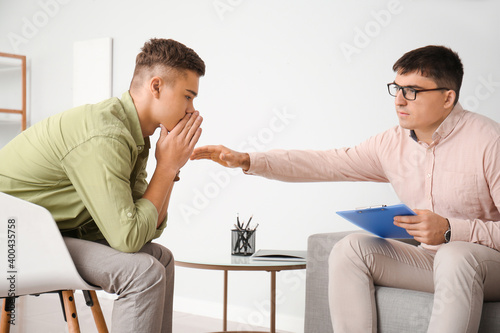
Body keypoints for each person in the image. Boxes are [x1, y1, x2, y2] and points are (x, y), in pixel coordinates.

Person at [190, 45, 500, 332]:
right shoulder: (391, 144)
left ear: (447, 97)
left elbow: (458, 244)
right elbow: (326, 163)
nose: (399, 100)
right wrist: (248, 159)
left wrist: (450, 231)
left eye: (412, 91)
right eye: (396, 88)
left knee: (455, 256)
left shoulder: (488, 140)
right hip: (432, 261)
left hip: (488, 263)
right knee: (351, 249)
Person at [0, 38, 205, 333]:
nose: (191, 109)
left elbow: (148, 224)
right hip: (11, 240)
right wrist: (167, 167)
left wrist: (170, 169)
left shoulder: (136, 137)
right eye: (188, 96)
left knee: (161, 258)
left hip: (47, 233)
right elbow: (128, 238)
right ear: (156, 87)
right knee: (143, 272)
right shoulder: (106, 135)